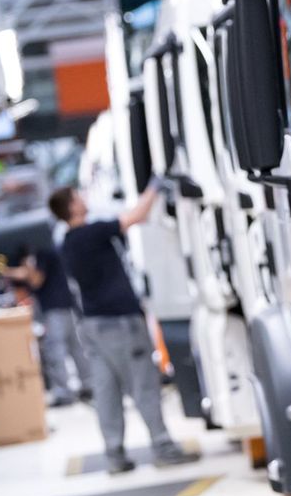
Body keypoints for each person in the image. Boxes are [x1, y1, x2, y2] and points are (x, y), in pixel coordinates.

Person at [48, 181, 194, 473]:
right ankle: (163, 446)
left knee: (107, 392)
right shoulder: (93, 233)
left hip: (92, 326)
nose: (84, 198)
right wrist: (154, 186)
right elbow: (136, 215)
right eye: (78, 196)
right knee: (143, 384)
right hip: (121, 323)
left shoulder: (68, 243)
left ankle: (115, 456)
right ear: (71, 207)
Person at [4, 244, 93, 407]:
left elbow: (36, 280)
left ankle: (64, 393)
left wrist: (8, 271)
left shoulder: (42, 253)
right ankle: (88, 385)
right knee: (76, 348)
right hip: (66, 307)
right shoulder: (48, 250)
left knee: (56, 351)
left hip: (55, 309)